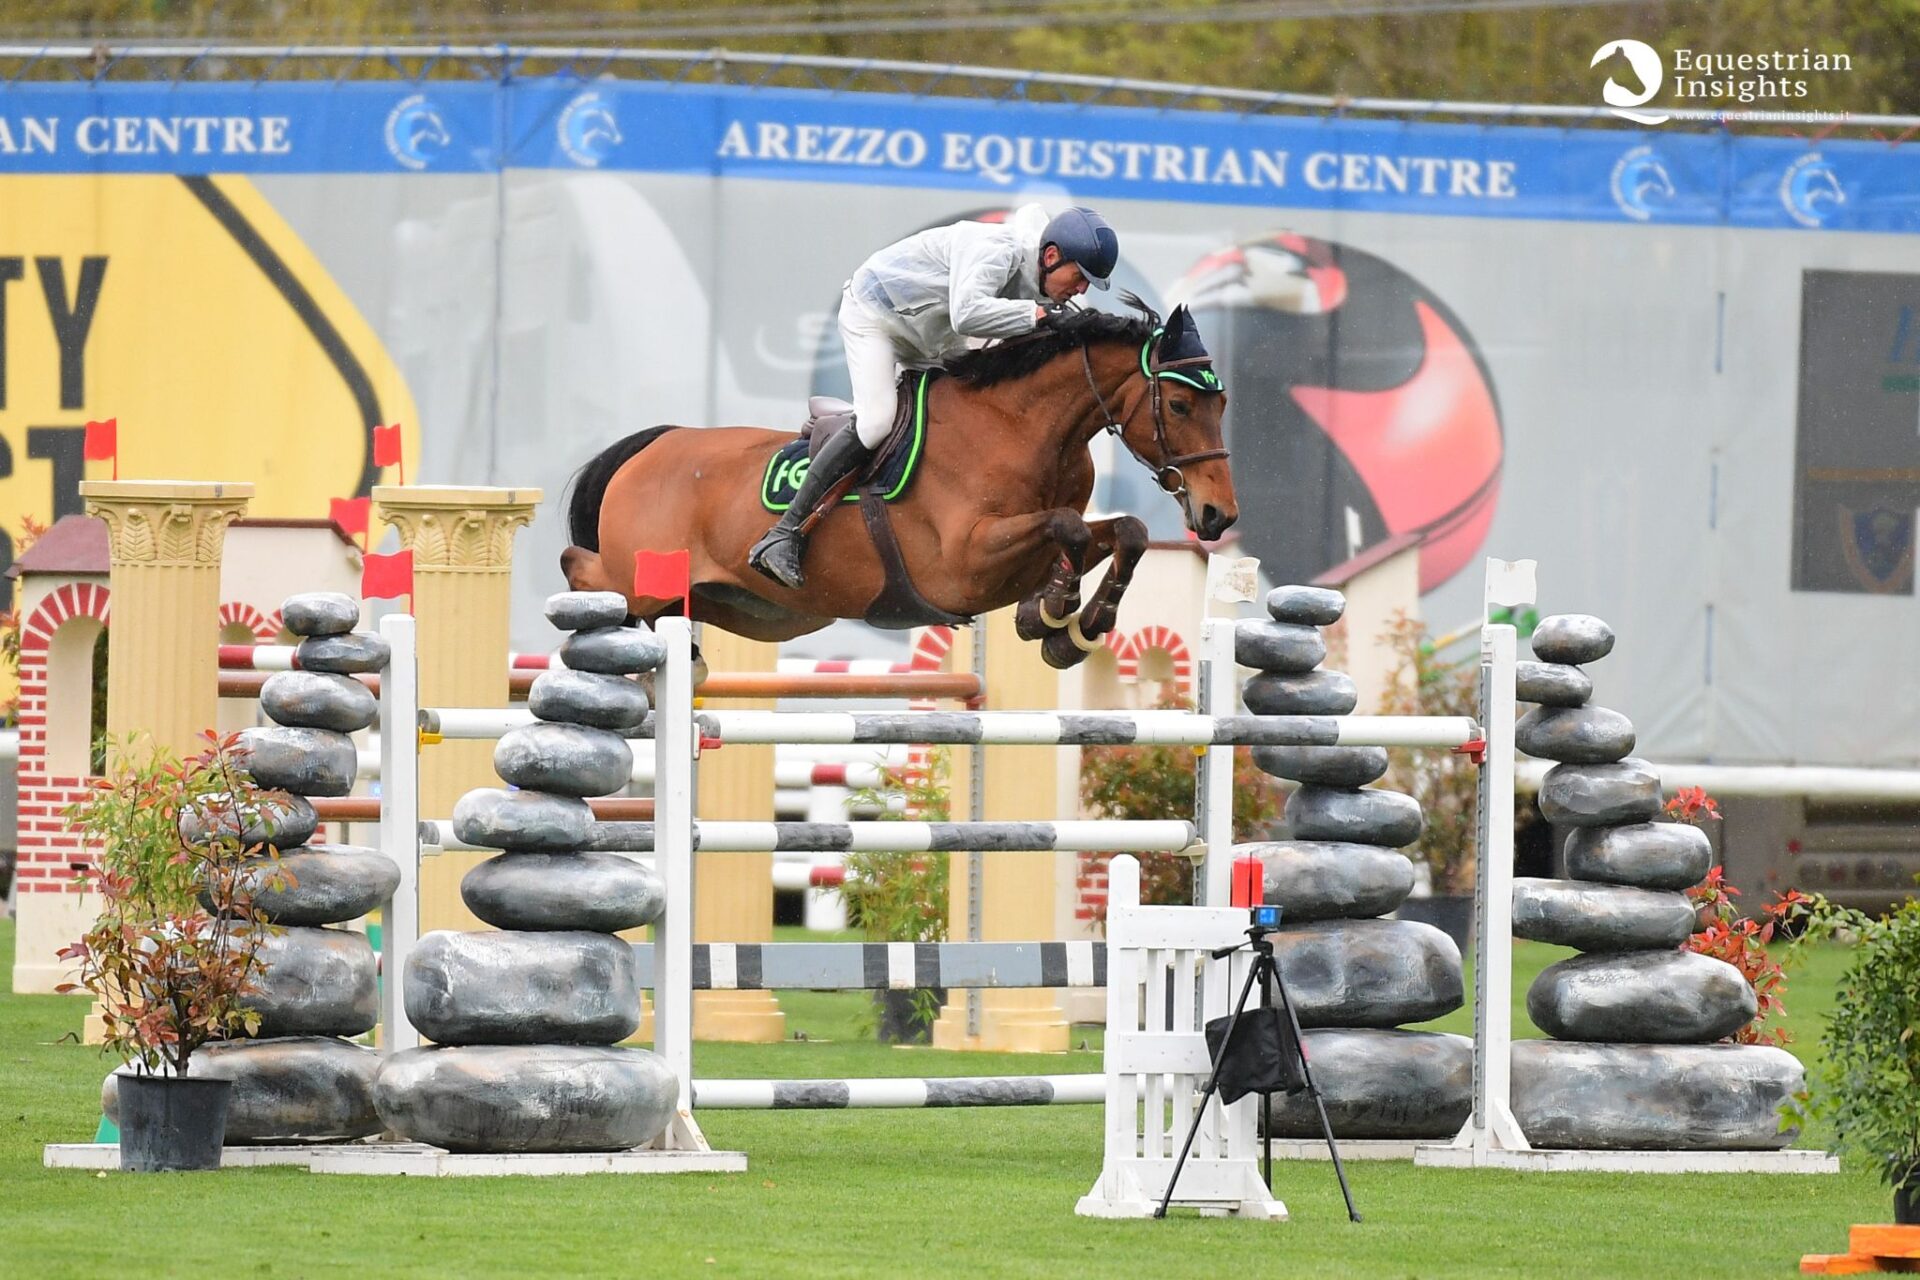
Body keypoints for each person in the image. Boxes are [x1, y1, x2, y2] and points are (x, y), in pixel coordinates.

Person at [747, 204, 1121, 590]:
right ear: (1051, 256)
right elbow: (967, 314)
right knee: (877, 422)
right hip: (876, 317)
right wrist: (1040, 318)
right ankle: (784, 534)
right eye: (1080, 277)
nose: (1081, 290)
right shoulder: (997, 250)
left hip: (930, 333)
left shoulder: (1043, 276)